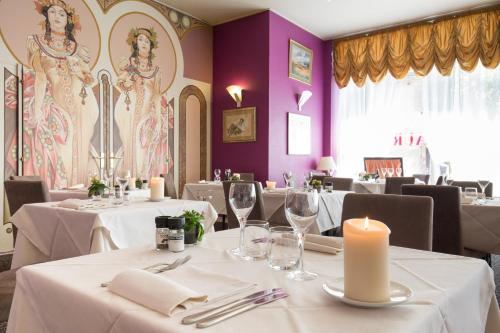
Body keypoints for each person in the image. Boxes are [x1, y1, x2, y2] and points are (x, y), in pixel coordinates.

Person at [24, 0, 98, 188]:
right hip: (56, 105)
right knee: (61, 150)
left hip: (81, 107)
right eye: (53, 12)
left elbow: (90, 80)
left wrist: (78, 71)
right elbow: (39, 77)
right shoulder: (36, 43)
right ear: (47, 17)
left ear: (68, 20)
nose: (57, 16)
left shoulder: (78, 50)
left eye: (62, 13)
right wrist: (38, 109)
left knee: (80, 150)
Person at [115, 27, 172, 178]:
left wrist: (158, 119)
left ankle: (144, 179)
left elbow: (157, 95)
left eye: (147, 41)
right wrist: (127, 81)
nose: (144, 43)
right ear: (135, 43)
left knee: (146, 146)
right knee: (132, 143)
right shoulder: (128, 64)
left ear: (151, 45)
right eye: (141, 40)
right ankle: (132, 179)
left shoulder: (156, 71)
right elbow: (121, 83)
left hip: (149, 113)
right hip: (131, 110)